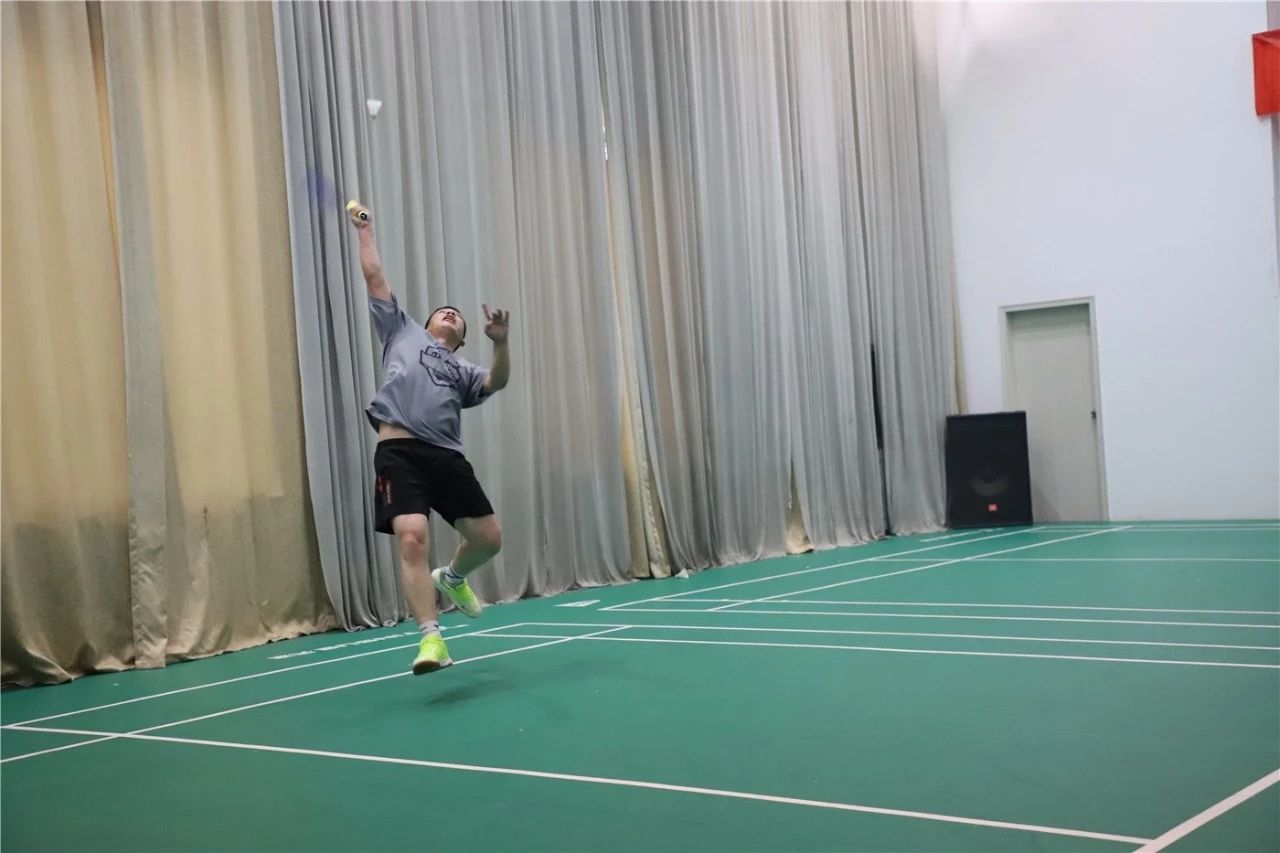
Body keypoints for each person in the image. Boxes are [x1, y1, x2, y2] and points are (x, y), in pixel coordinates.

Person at [347, 201, 511, 675]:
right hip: (398, 452)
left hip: (446, 456)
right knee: (412, 536)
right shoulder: (401, 331)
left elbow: (497, 382)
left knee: (489, 539)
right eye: (443, 311)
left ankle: (453, 577)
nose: (450, 313)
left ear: (462, 338)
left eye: (457, 316)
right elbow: (375, 277)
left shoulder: (463, 369)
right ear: (427, 323)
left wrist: (501, 343)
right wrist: (364, 230)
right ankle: (431, 637)